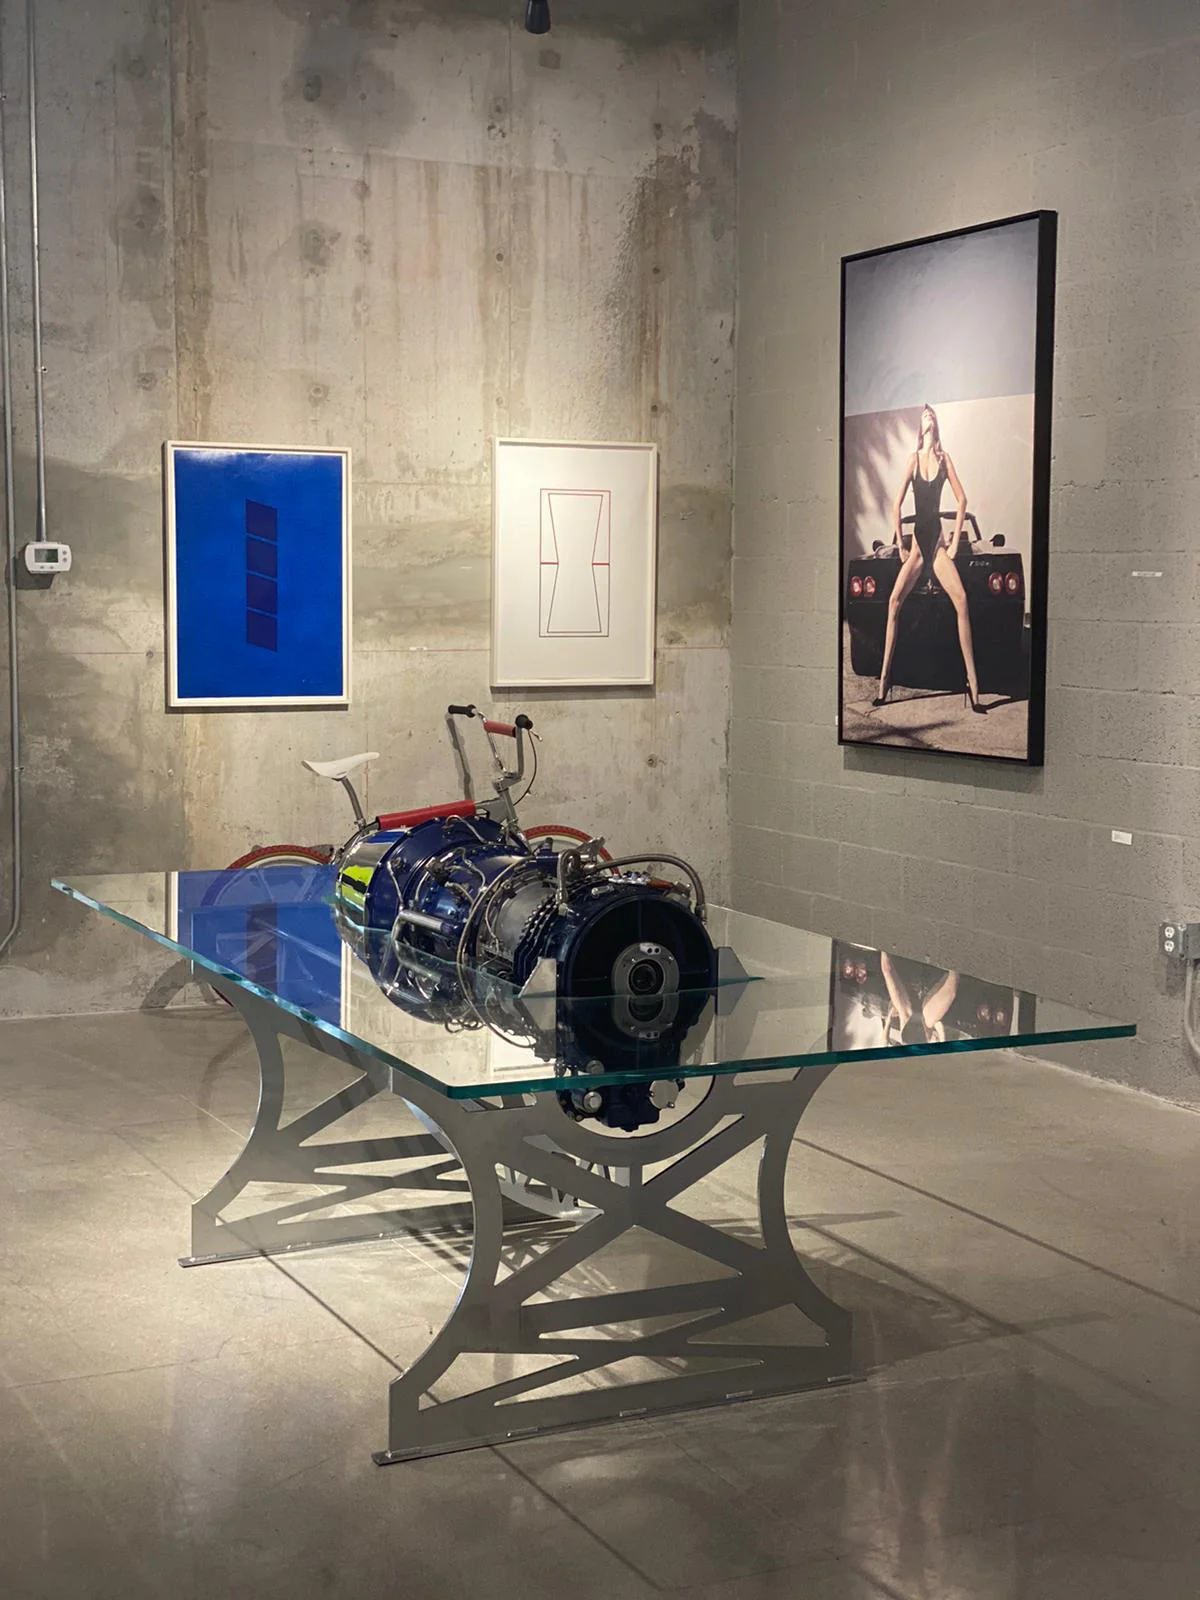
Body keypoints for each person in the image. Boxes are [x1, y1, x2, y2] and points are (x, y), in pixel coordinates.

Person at [873, 404, 986, 715]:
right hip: (917, 547)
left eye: (932, 414)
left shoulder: (944, 458)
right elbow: (896, 505)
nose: (928, 416)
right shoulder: (912, 460)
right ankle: (883, 683)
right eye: (924, 415)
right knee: (893, 602)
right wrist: (900, 545)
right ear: (919, 427)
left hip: (936, 545)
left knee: (961, 600)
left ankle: (974, 688)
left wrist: (953, 544)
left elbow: (962, 500)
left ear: (936, 424)